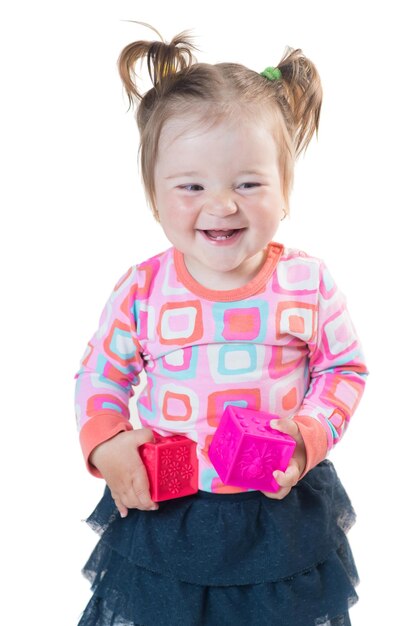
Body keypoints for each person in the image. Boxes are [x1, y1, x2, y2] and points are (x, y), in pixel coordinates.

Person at [75, 23, 368, 626]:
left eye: (249, 183)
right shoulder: (143, 288)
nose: (222, 204)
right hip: (167, 515)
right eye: (191, 186)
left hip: (277, 510)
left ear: (285, 191)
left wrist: (305, 433)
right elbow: (100, 373)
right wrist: (107, 443)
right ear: (155, 197)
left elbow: (344, 370)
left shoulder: (307, 283)